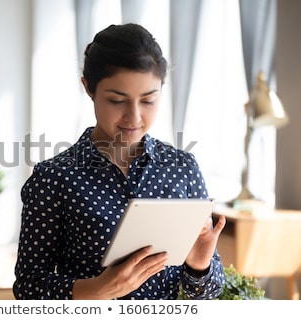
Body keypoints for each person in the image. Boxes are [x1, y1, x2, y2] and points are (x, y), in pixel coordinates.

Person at [13, 23, 226, 300]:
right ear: (88, 88)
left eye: (148, 100)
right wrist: (97, 289)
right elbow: (28, 286)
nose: (134, 117)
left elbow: (207, 293)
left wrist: (199, 266)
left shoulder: (182, 169)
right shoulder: (52, 178)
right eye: (117, 100)